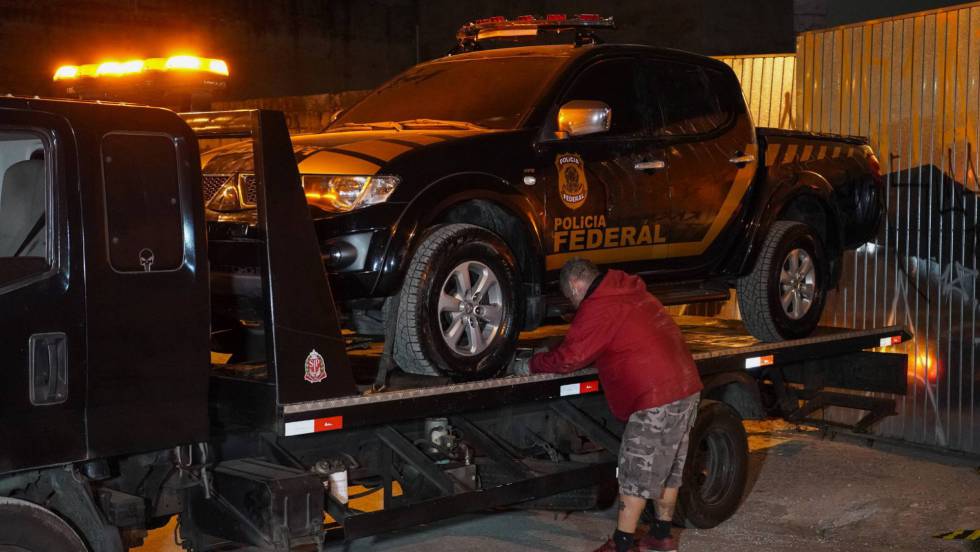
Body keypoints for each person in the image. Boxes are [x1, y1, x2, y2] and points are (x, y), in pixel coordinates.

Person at [513, 259, 703, 552]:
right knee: (667, 469)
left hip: (656, 397)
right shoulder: (629, 291)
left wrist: (532, 364)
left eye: (571, 298)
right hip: (685, 387)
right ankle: (661, 536)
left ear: (576, 286)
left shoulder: (599, 304)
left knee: (635, 473)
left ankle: (622, 544)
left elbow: (570, 358)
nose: (575, 305)